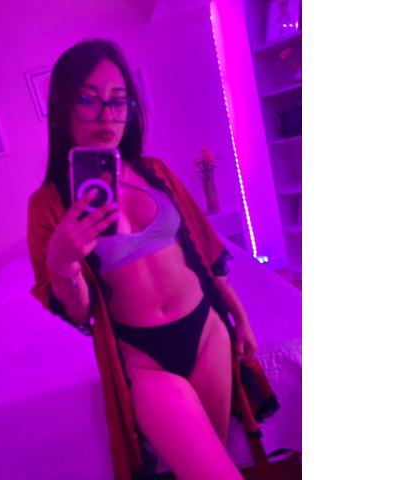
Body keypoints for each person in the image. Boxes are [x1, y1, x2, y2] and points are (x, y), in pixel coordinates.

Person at [27, 39, 278, 480]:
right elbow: (80, 313)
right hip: (144, 358)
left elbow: (203, 248)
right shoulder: (48, 205)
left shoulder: (156, 172)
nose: (106, 115)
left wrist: (240, 317)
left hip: (207, 333)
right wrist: (62, 264)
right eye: (88, 99)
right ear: (63, 107)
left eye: (118, 100)